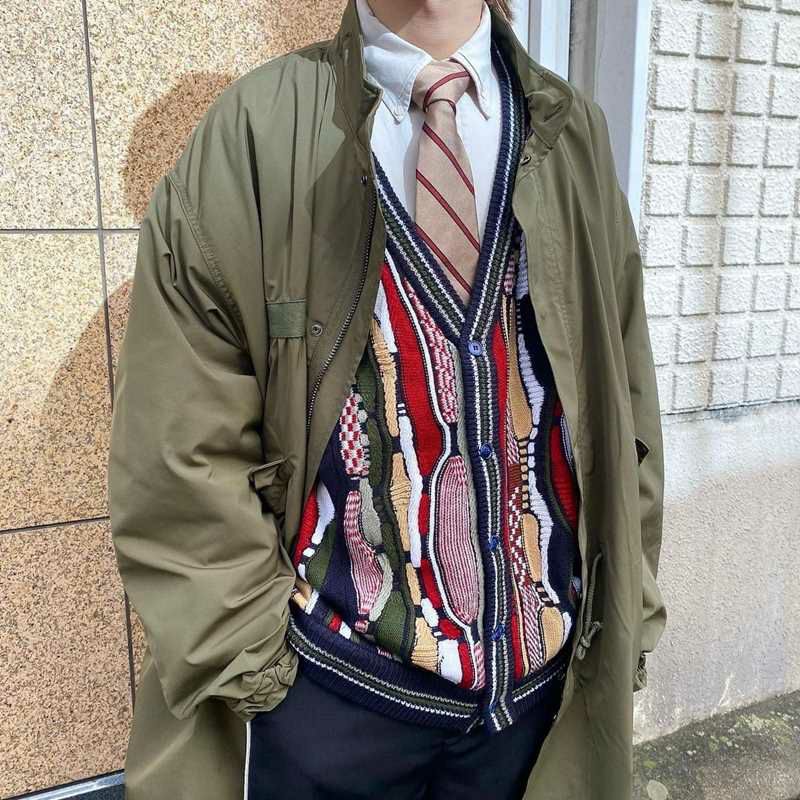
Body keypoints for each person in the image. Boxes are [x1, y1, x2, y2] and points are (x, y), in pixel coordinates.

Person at [107, 0, 667, 798]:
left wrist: (627, 607)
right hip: (329, 701)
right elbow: (178, 450)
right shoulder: (254, 136)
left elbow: (626, 402)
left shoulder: (573, 134)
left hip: (540, 715)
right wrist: (259, 667)